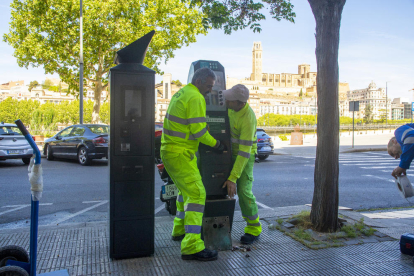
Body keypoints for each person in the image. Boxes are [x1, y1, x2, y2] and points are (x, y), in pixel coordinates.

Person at [161, 67, 224, 261]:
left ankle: (179, 230)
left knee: (184, 193)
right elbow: (199, 132)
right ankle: (192, 246)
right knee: (197, 194)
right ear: (199, 81)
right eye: (208, 86)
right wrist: (218, 144)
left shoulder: (181, 92)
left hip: (170, 152)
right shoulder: (195, 97)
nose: (209, 91)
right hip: (181, 153)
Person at [221, 84, 262, 244]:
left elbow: (244, 153)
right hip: (228, 153)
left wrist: (233, 178)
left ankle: (253, 228)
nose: (226, 101)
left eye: (230, 100)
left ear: (240, 103)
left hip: (245, 155)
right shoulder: (231, 107)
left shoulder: (248, 118)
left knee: (244, 192)